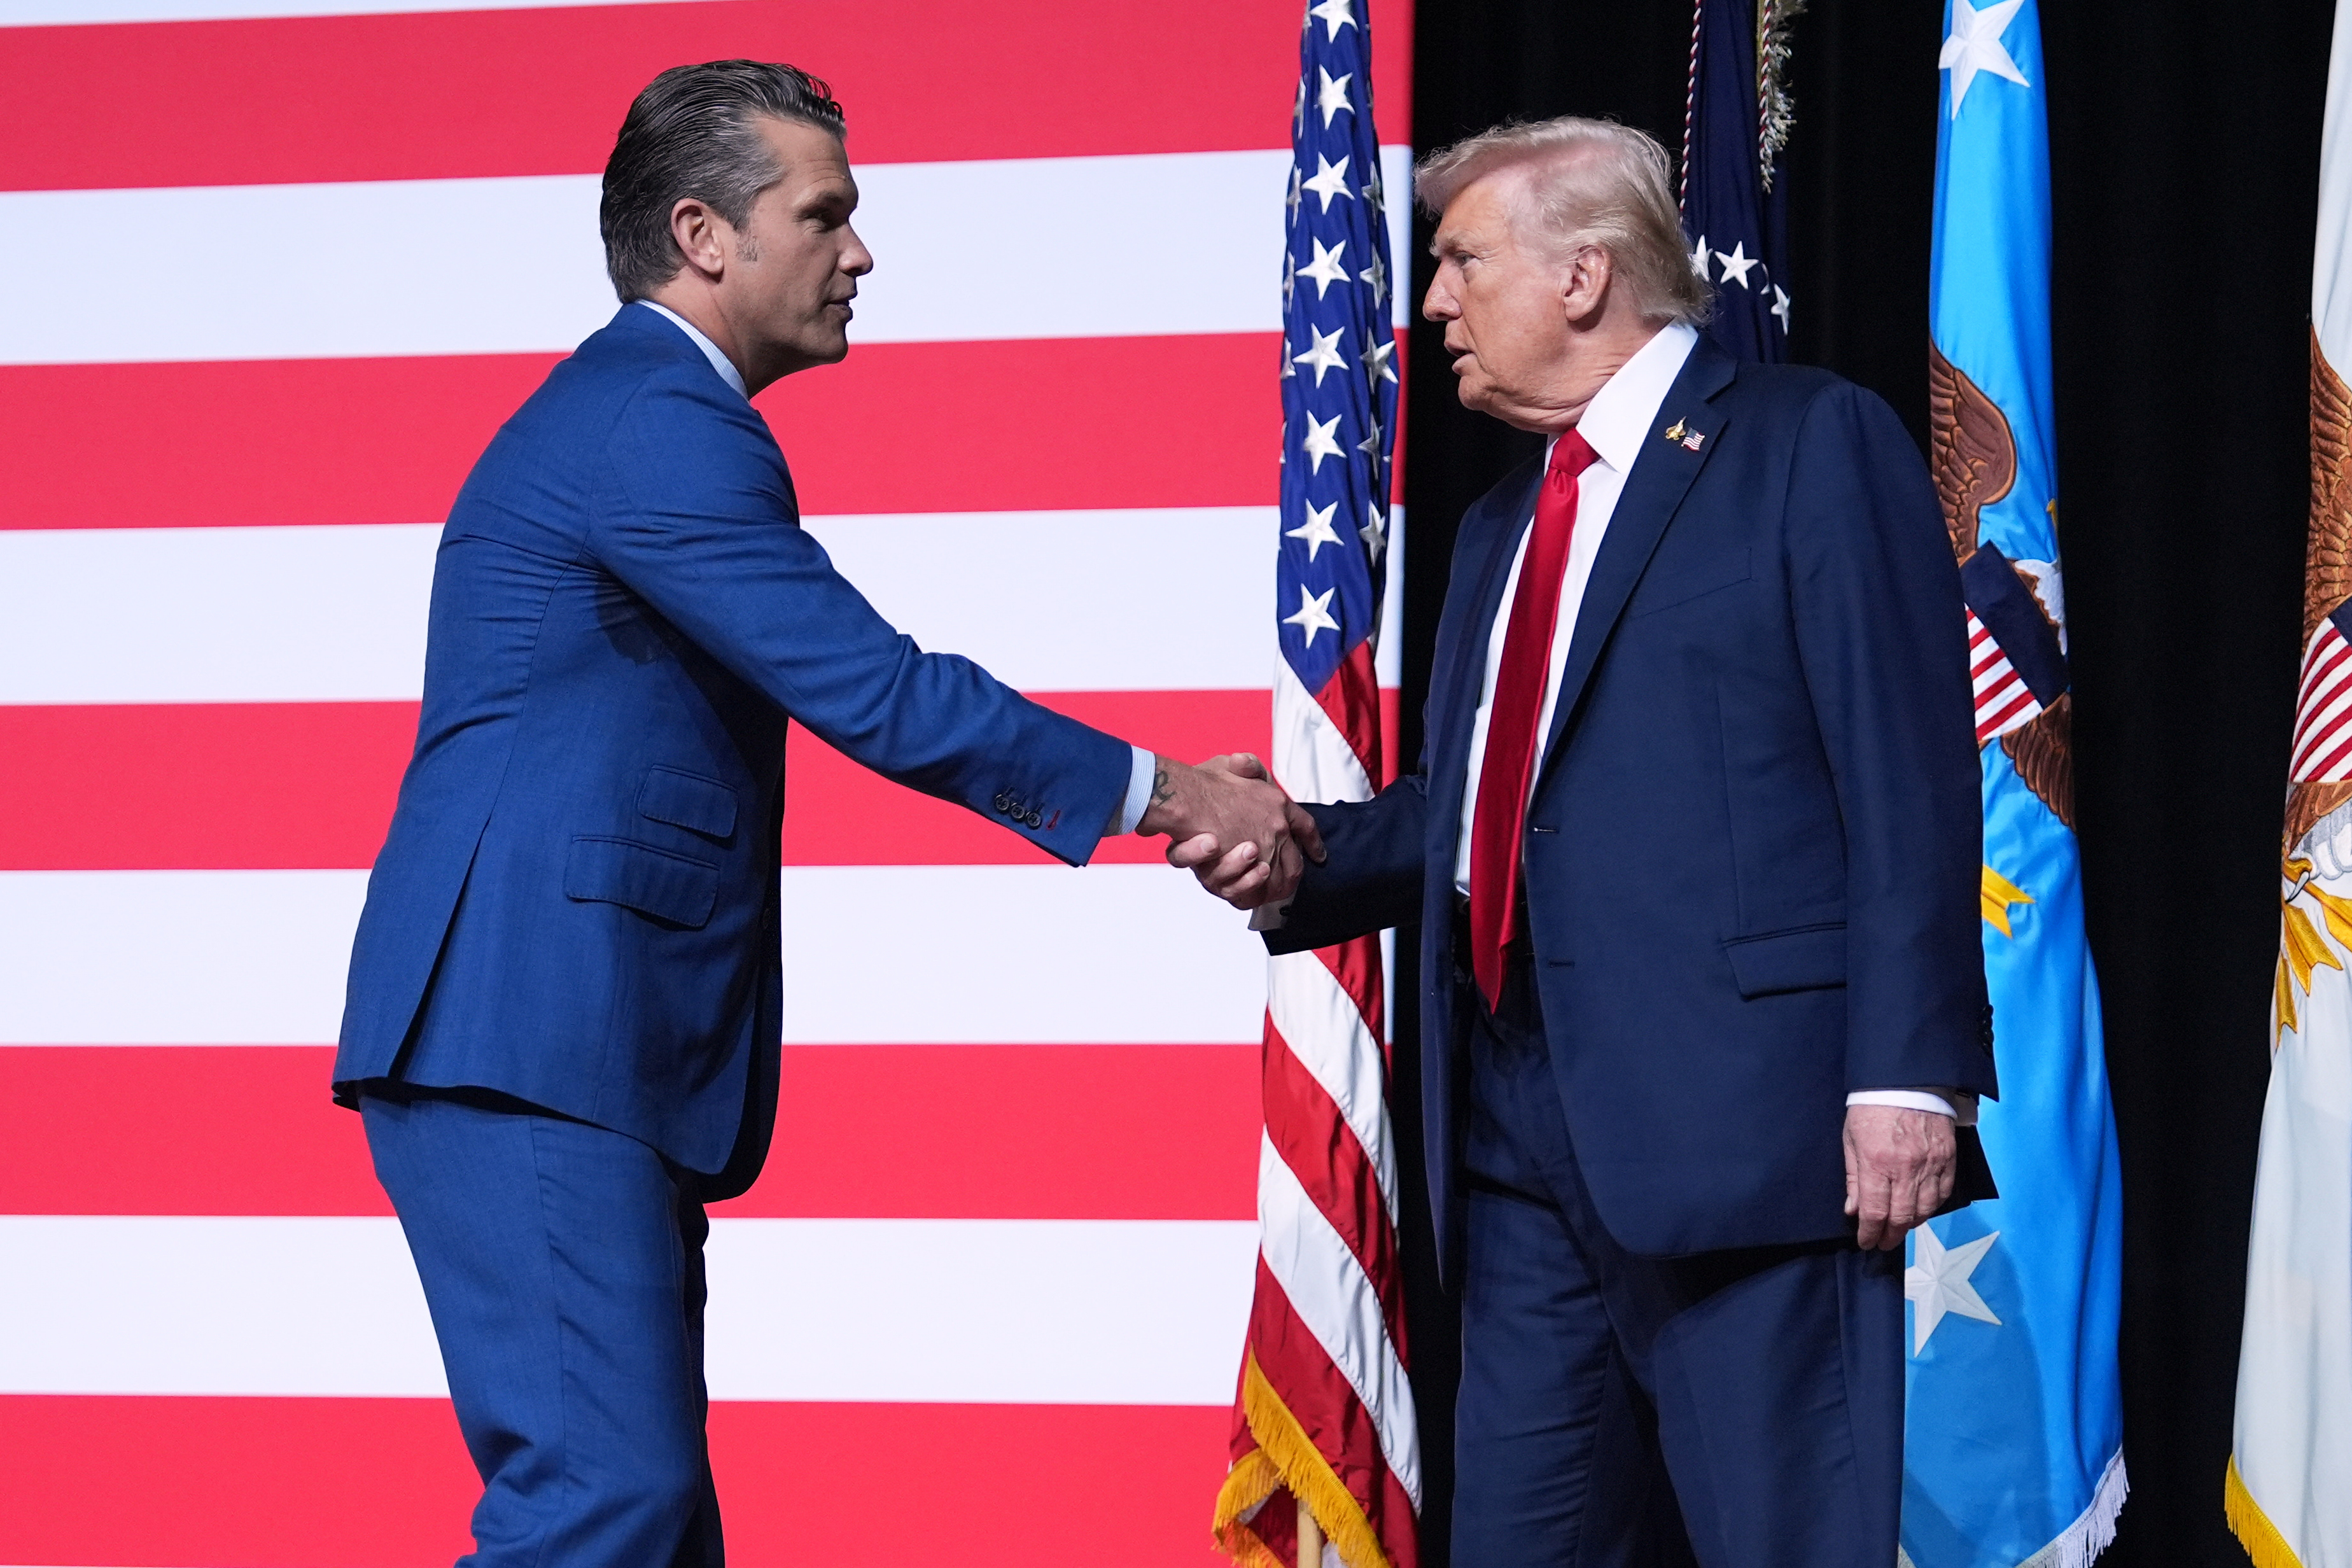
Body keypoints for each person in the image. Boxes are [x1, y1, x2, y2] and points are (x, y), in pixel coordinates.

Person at [332, 60, 1317, 1567]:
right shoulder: (655, 420)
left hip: (574, 1045)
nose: (861, 253)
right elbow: (876, 690)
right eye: (827, 214)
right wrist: (1168, 789)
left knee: (649, 1531)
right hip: (532, 1036)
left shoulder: (642, 412)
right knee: (608, 1507)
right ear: (702, 234)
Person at [1180, 118, 1999, 1567]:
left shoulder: (1806, 442)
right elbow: (1480, 802)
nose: (1430, 300)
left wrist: (1908, 1077)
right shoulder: (1503, 523)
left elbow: (1907, 770)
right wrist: (1297, 845)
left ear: (1582, 274)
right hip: (1514, 1135)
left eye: (1459, 260)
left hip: (1754, 1131)